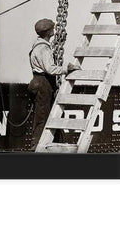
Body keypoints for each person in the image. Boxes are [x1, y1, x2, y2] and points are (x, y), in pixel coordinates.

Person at [28, 18, 78, 147]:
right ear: (48, 32)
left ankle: (50, 143)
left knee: (44, 114)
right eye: (52, 29)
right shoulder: (43, 48)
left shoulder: (37, 45)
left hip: (38, 82)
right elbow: (50, 69)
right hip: (43, 83)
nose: (54, 31)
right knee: (43, 116)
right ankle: (38, 146)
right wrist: (67, 69)